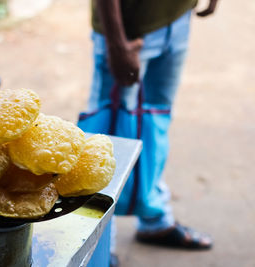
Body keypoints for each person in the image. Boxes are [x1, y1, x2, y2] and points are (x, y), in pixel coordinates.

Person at [84, 0, 219, 266]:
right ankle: (99, 247)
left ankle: (155, 219)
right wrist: (116, 43)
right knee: (109, 137)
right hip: (128, 30)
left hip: (178, 16)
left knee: (156, 122)